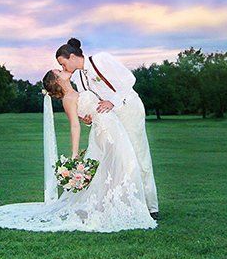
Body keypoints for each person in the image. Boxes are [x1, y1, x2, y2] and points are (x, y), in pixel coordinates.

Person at [0, 69, 156, 232]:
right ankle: (120, 207)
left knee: (116, 168)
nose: (62, 70)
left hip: (111, 126)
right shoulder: (68, 99)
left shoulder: (79, 90)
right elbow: (74, 126)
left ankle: (115, 205)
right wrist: (74, 154)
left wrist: (89, 117)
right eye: (58, 71)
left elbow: (89, 113)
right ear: (57, 80)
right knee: (121, 165)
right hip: (106, 132)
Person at [56, 38, 159, 220]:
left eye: (63, 64)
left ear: (71, 56)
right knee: (117, 159)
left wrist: (113, 101)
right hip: (110, 120)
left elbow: (129, 79)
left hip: (128, 109)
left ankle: (151, 207)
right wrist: (88, 120)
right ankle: (127, 203)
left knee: (138, 154)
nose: (63, 69)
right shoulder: (79, 77)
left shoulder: (101, 59)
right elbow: (92, 103)